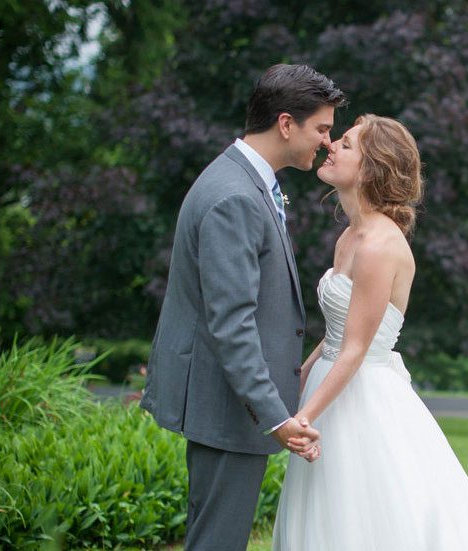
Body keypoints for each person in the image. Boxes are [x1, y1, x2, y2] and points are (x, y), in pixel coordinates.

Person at [271, 114, 468, 550]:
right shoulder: (348, 238)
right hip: (332, 383)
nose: (331, 147)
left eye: (345, 144)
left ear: (371, 167)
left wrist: (305, 418)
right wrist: (293, 391)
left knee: (365, 516)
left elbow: (356, 349)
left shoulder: (380, 245)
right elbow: (336, 335)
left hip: (362, 398)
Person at [140, 63, 346, 551]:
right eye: (321, 128)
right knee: (217, 542)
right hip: (228, 407)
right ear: (285, 123)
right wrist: (275, 416)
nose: (326, 142)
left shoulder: (244, 181)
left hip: (227, 403)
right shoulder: (234, 196)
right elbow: (231, 323)